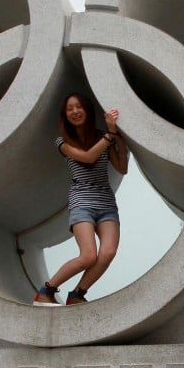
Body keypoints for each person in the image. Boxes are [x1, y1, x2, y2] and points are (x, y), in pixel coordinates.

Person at [33, 93, 128, 305]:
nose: (75, 111)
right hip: (81, 201)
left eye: (79, 107)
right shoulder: (62, 141)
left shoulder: (104, 136)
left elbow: (122, 168)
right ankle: (46, 290)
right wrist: (109, 136)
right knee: (88, 256)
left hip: (106, 202)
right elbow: (87, 157)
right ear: (65, 115)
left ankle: (77, 294)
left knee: (108, 252)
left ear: (87, 110)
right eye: (70, 109)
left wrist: (118, 138)